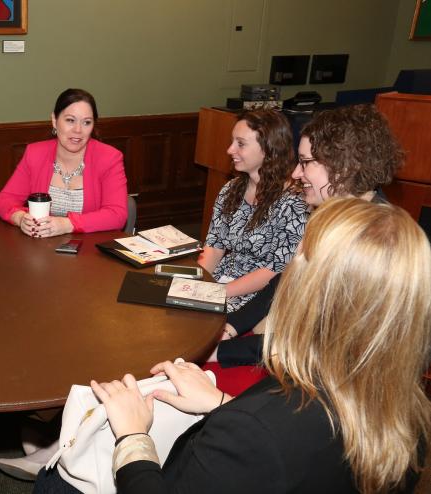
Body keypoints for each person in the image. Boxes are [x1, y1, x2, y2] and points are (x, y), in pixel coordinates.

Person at [39, 198, 429, 493]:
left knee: (55, 481)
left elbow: (268, 442)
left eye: (299, 258)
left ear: (316, 292)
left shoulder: (255, 431)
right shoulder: (409, 413)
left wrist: (133, 435)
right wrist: (221, 404)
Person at [214, 104, 403, 367]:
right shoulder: (332, 214)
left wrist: (222, 353)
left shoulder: (373, 240)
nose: (295, 173)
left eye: (305, 163)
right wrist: (232, 327)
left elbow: (318, 343)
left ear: (343, 166)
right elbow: (285, 281)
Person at [197, 110, 306, 311]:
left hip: (259, 298)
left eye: (241, 143)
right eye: (232, 142)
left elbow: (276, 270)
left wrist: (218, 292)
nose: (230, 150)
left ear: (268, 148)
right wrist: (196, 285)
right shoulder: (231, 189)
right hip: (223, 282)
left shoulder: (294, 202)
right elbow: (215, 246)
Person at [0, 88, 128, 237]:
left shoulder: (109, 158)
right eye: (70, 120)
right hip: (41, 249)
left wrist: (67, 224)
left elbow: (117, 215)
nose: (78, 130)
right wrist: (20, 218)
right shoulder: (35, 153)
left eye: (86, 122)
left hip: (89, 251)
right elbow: (4, 200)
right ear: (54, 121)